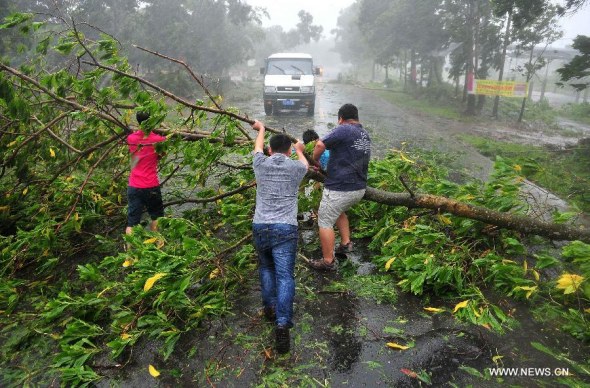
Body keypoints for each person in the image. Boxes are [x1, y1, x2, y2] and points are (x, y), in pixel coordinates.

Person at [251, 120, 309, 354]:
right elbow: (305, 164)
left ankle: (269, 307)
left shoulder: (260, 163)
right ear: (287, 152)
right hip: (285, 228)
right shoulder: (295, 167)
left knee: (266, 268)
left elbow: (256, 148)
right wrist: (299, 150)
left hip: (260, 225)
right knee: (285, 276)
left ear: (270, 150)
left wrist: (261, 129)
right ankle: (283, 323)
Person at [308, 103, 371, 271]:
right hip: (358, 188)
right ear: (356, 117)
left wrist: (313, 161)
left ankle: (328, 261)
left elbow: (320, 145)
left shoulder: (344, 129)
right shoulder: (364, 134)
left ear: (341, 118)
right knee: (337, 210)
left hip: (341, 187)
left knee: (325, 220)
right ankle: (346, 243)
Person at [125, 111, 166, 235]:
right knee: (156, 217)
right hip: (151, 185)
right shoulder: (159, 140)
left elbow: (135, 154)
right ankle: (157, 246)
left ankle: (130, 253)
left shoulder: (131, 139)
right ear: (151, 121)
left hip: (134, 186)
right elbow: (161, 155)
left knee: (132, 222)